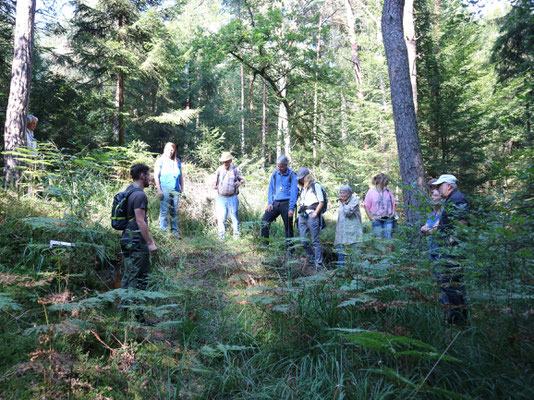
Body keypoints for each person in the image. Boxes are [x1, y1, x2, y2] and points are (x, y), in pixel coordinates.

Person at [433, 174, 469, 325]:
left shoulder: (457, 198)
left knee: (451, 284)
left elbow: (462, 223)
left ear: (448, 186)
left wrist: (450, 241)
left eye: (440, 186)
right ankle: (459, 319)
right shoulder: (452, 198)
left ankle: (457, 320)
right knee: (453, 284)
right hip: (450, 249)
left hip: (453, 251)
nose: (438, 189)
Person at [120, 163, 157, 292]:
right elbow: (140, 221)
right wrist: (150, 243)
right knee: (139, 278)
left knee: (128, 274)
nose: (150, 177)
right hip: (137, 242)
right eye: (148, 174)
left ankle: (124, 309)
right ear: (142, 176)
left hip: (126, 238)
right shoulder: (140, 195)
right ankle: (137, 311)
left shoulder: (129, 190)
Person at [261, 155, 298, 248]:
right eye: (278, 166)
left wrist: (291, 208)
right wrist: (270, 203)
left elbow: (294, 192)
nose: (279, 168)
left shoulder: (292, 175)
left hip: (287, 203)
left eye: (281, 166)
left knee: (288, 227)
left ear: (286, 165)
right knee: (264, 221)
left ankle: (290, 249)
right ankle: (265, 244)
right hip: (275, 203)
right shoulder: (274, 174)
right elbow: (271, 189)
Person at [296, 167, 326, 270]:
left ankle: (318, 263)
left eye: (302, 178)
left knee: (315, 241)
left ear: (307, 177)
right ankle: (312, 257)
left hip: (312, 214)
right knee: (303, 240)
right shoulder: (301, 187)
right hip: (302, 215)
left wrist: (315, 213)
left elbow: (321, 202)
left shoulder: (316, 186)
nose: (300, 180)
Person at [213, 152, 245, 240]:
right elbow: (214, 181)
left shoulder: (235, 170)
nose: (225, 163)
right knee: (221, 218)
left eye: (227, 161)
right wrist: (214, 185)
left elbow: (243, 179)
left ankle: (236, 237)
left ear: (230, 161)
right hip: (221, 197)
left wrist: (239, 183)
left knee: (234, 217)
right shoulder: (219, 170)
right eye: (223, 161)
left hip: (233, 197)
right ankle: (221, 237)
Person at [154, 142, 184, 238]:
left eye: (172, 150)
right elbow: (156, 176)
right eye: (168, 149)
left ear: (174, 150)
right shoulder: (160, 160)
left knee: (174, 211)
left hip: (176, 190)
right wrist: (159, 190)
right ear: (165, 149)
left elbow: (181, 176)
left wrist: (182, 189)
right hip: (164, 190)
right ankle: (163, 233)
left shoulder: (177, 161)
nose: (170, 152)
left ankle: (174, 232)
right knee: (164, 211)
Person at [334, 185, 362, 267]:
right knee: (340, 250)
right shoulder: (342, 200)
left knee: (354, 251)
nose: (342, 195)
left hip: (353, 229)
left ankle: (356, 270)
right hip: (342, 229)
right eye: (341, 192)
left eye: (344, 193)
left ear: (349, 194)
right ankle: (340, 270)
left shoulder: (355, 200)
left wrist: (343, 203)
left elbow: (348, 213)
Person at [363, 173, 396, 239]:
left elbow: (393, 203)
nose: (388, 183)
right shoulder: (371, 192)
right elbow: (366, 206)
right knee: (379, 239)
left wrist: (393, 213)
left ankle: (389, 249)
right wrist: (371, 218)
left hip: (388, 218)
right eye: (386, 181)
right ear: (382, 181)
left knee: (389, 238)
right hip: (376, 219)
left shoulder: (388, 191)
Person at [421, 188, 443, 260]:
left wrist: (426, 230)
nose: (432, 197)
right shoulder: (433, 213)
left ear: (441, 198)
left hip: (441, 249)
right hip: (431, 248)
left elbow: (434, 229)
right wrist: (425, 229)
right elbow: (425, 227)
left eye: (435, 195)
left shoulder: (444, 213)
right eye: (432, 195)